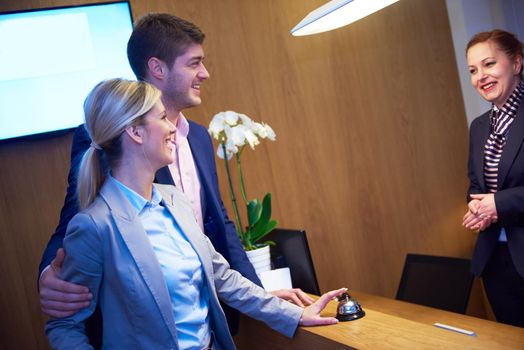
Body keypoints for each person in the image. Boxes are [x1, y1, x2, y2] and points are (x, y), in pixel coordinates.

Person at [38, 13, 312, 334]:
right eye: (194, 63)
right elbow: (76, 215)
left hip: (207, 318)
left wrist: (259, 293)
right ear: (157, 68)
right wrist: (48, 274)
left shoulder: (198, 136)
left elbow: (218, 222)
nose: (205, 74)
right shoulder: (104, 135)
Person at [44, 78, 345, 349]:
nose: (173, 127)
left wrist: (294, 314)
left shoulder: (175, 201)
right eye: (162, 117)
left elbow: (222, 277)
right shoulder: (94, 226)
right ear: (135, 131)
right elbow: (64, 327)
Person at [462, 29, 524, 327]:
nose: (480, 76)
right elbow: (476, 186)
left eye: (488, 64)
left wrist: (498, 203)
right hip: (495, 259)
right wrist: (477, 209)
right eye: (473, 70)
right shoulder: (478, 127)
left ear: (516, 63)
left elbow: (497, 198)